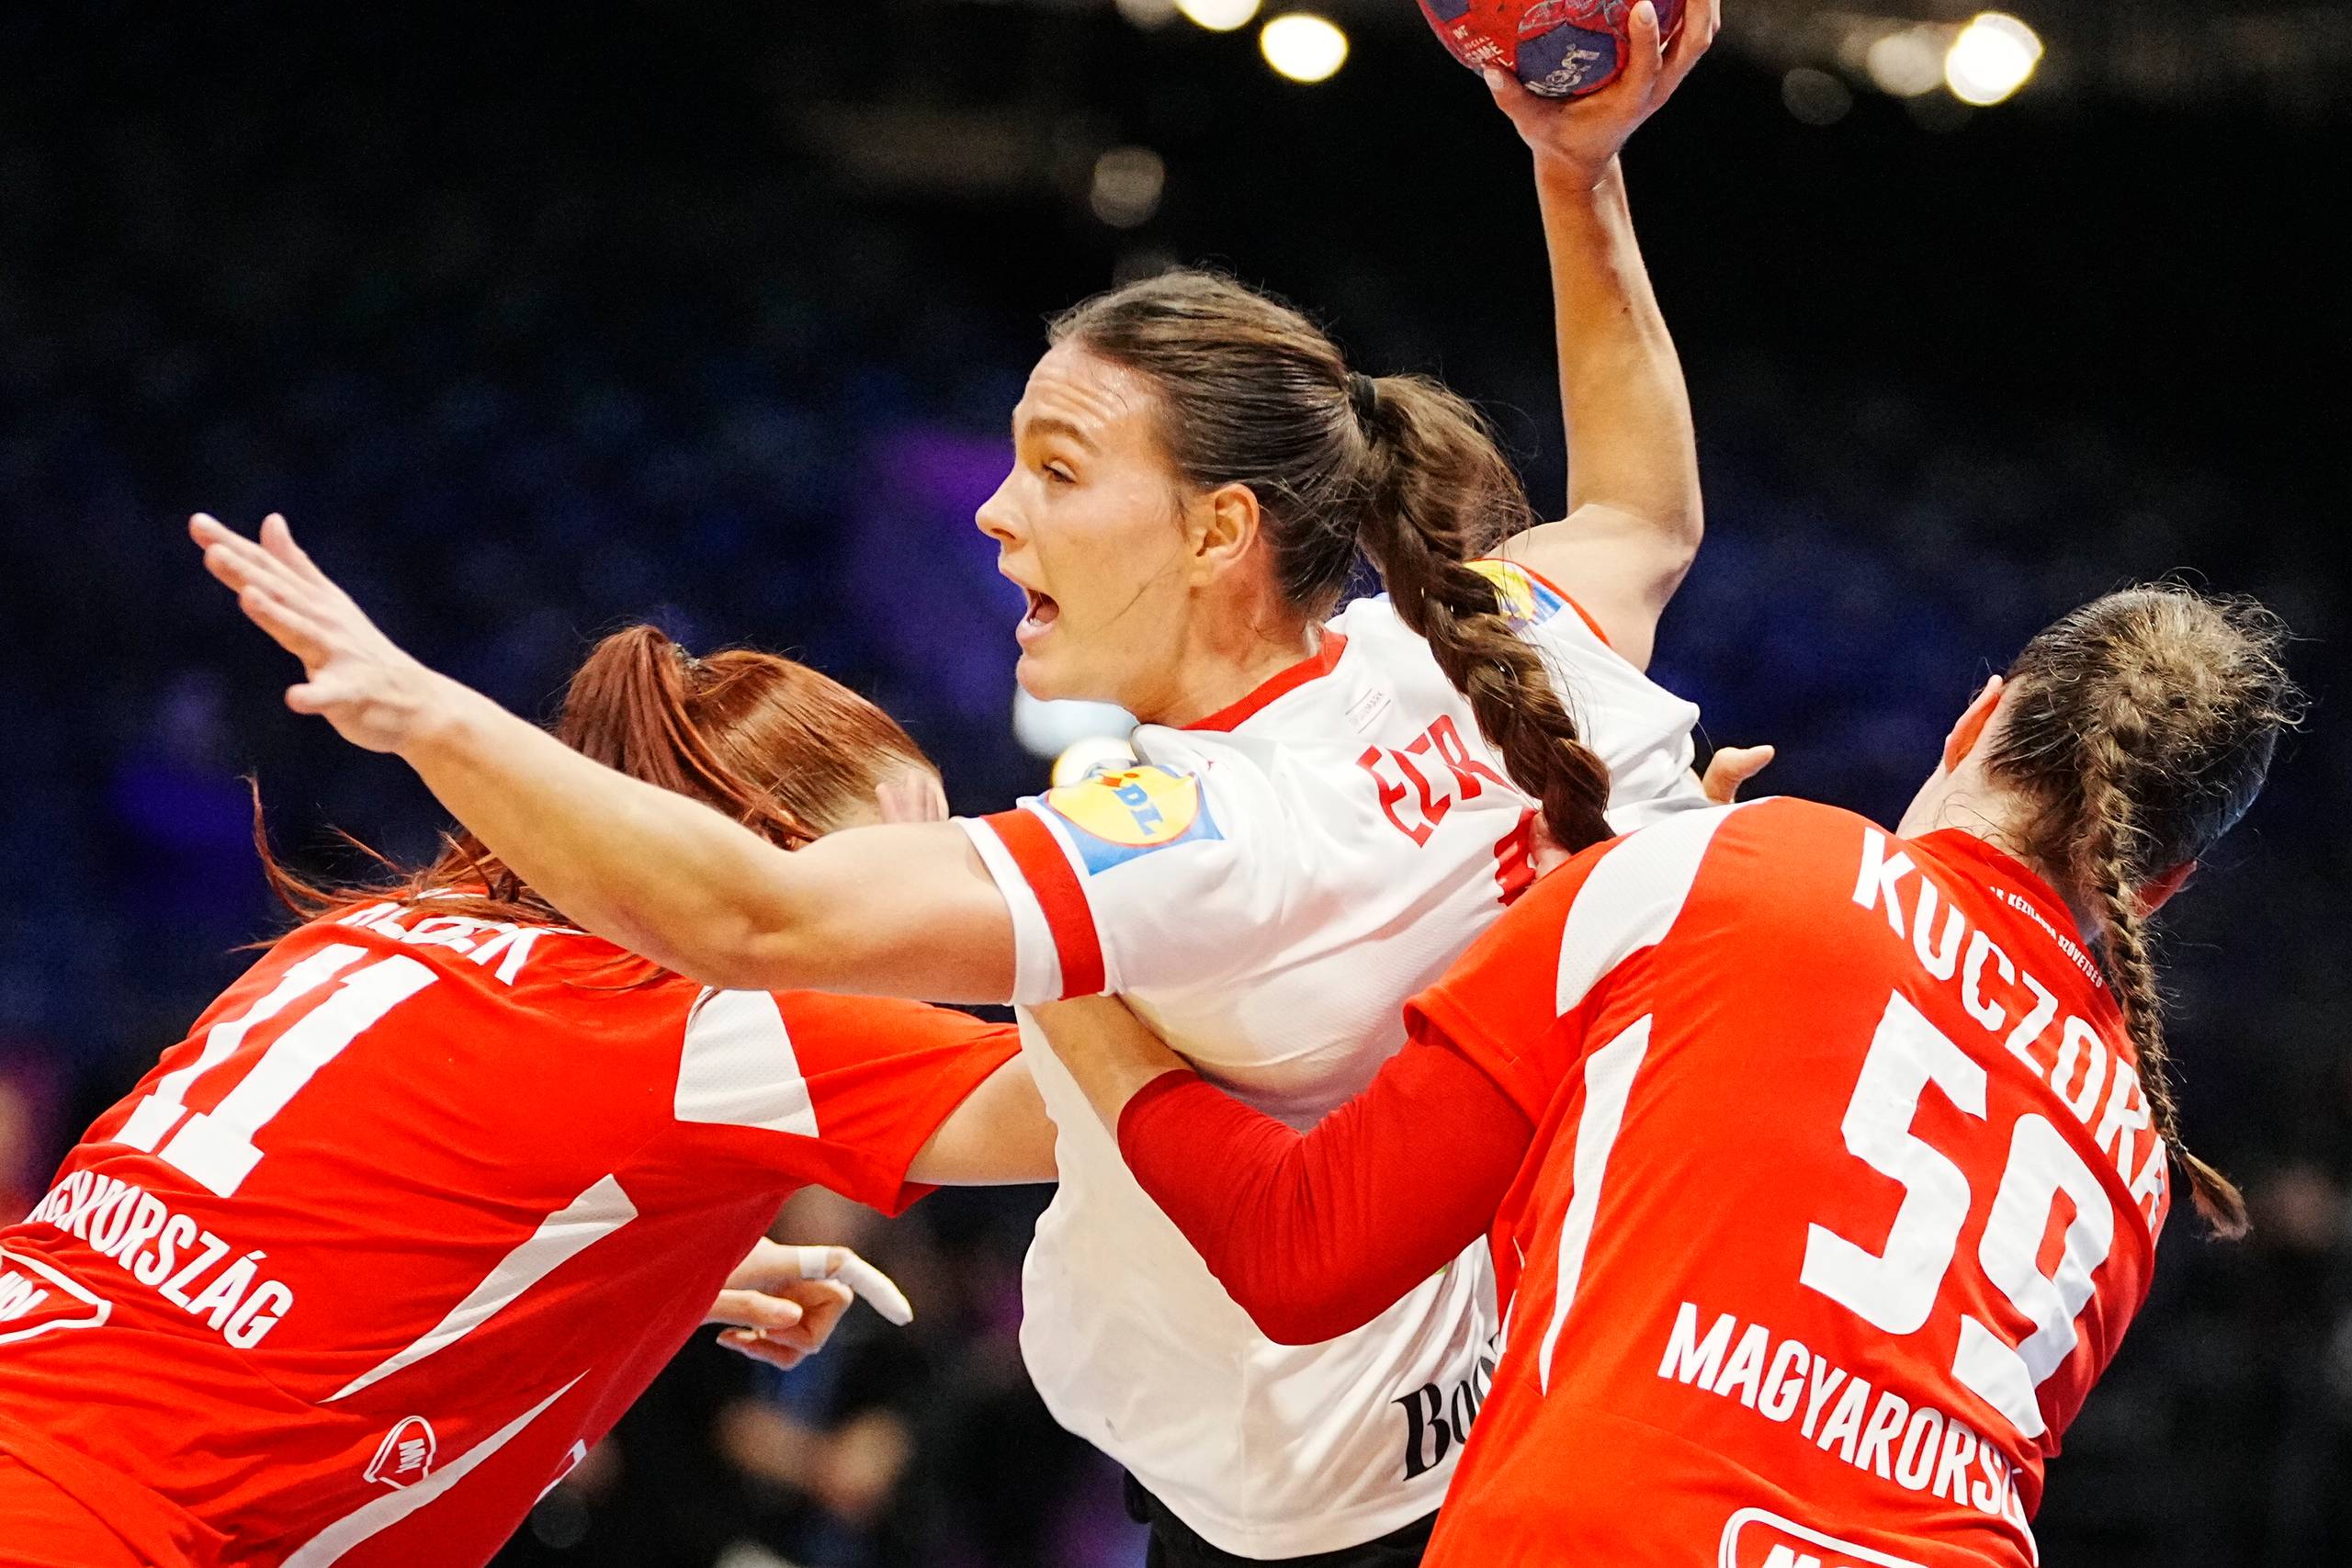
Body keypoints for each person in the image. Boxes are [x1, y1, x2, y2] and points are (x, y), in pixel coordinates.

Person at [188, 9, 1741, 1559]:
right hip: (1508, 1406)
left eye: (1057, 469)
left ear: (1220, 532)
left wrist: (431, 718)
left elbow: (761, 917)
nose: (997, 513)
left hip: (1311, 1510)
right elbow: (1640, 513)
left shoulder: (1204, 828)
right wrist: (1578, 173)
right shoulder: (1475, 650)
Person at [1023, 586, 2301, 1567]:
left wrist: (1066, 976)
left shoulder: (1733, 866)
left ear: (1978, 716)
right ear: (2161, 885)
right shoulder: (2138, 1153)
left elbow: (1303, 1247)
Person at [0, 626, 1056, 1568]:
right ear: (766, 859)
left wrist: (639, 1262)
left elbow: (302, 1214)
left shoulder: (385, 927)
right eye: (906, 865)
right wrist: (1107, 877)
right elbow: (1098, 1112)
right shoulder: (718, 1019)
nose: (930, 913)